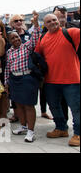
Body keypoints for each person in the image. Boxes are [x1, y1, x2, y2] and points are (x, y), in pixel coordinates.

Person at [35, 14, 80, 147]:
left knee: (76, 108)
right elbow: (37, 55)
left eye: (54, 20)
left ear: (59, 21)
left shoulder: (70, 32)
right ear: (45, 25)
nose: (53, 22)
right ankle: (61, 128)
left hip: (72, 79)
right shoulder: (42, 38)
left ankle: (78, 133)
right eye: (49, 21)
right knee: (54, 106)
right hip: (51, 80)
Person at [5, 12, 40, 142]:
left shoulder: (26, 47)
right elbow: (8, 68)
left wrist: (36, 24)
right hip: (15, 79)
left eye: (17, 38)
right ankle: (23, 126)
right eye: (13, 38)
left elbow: (35, 38)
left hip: (27, 78)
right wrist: (6, 82)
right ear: (10, 41)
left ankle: (31, 131)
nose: (16, 40)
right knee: (18, 104)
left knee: (29, 105)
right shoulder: (9, 52)